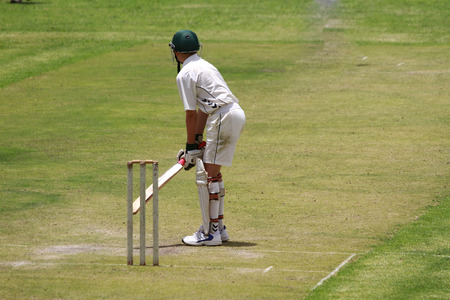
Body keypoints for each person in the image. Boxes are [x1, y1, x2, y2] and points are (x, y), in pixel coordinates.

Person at [169, 29, 246, 246]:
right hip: (234, 113)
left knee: (207, 178)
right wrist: (195, 142)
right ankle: (219, 229)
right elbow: (203, 109)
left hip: (222, 117)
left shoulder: (185, 74)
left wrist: (189, 145)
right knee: (214, 174)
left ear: (175, 52)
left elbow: (191, 113)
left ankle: (209, 233)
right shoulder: (206, 65)